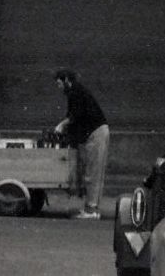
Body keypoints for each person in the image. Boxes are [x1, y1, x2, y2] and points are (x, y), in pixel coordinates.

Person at [51, 68, 110, 220]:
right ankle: (93, 208)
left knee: (92, 172)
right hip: (98, 132)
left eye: (59, 83)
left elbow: (75, 115)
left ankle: (91, 211)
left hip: (96, 133)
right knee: (95, 172)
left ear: (66, 80)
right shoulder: (76, 91)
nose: (59, 87)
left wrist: (61, 126)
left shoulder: (75, 92)